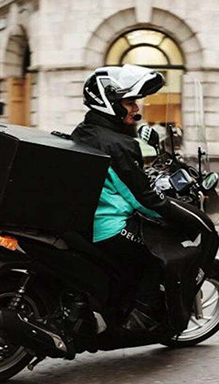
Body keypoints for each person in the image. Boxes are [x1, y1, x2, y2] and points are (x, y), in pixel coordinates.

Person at [72, 65, 200, 333]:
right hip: (108, 225)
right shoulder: (118, 144)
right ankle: (140, 318)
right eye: (129, 102)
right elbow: (142, 199)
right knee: (160, 255)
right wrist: (180, 216)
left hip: (83, 220)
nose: (136, 108)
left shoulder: (86, 130)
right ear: (108, 102)